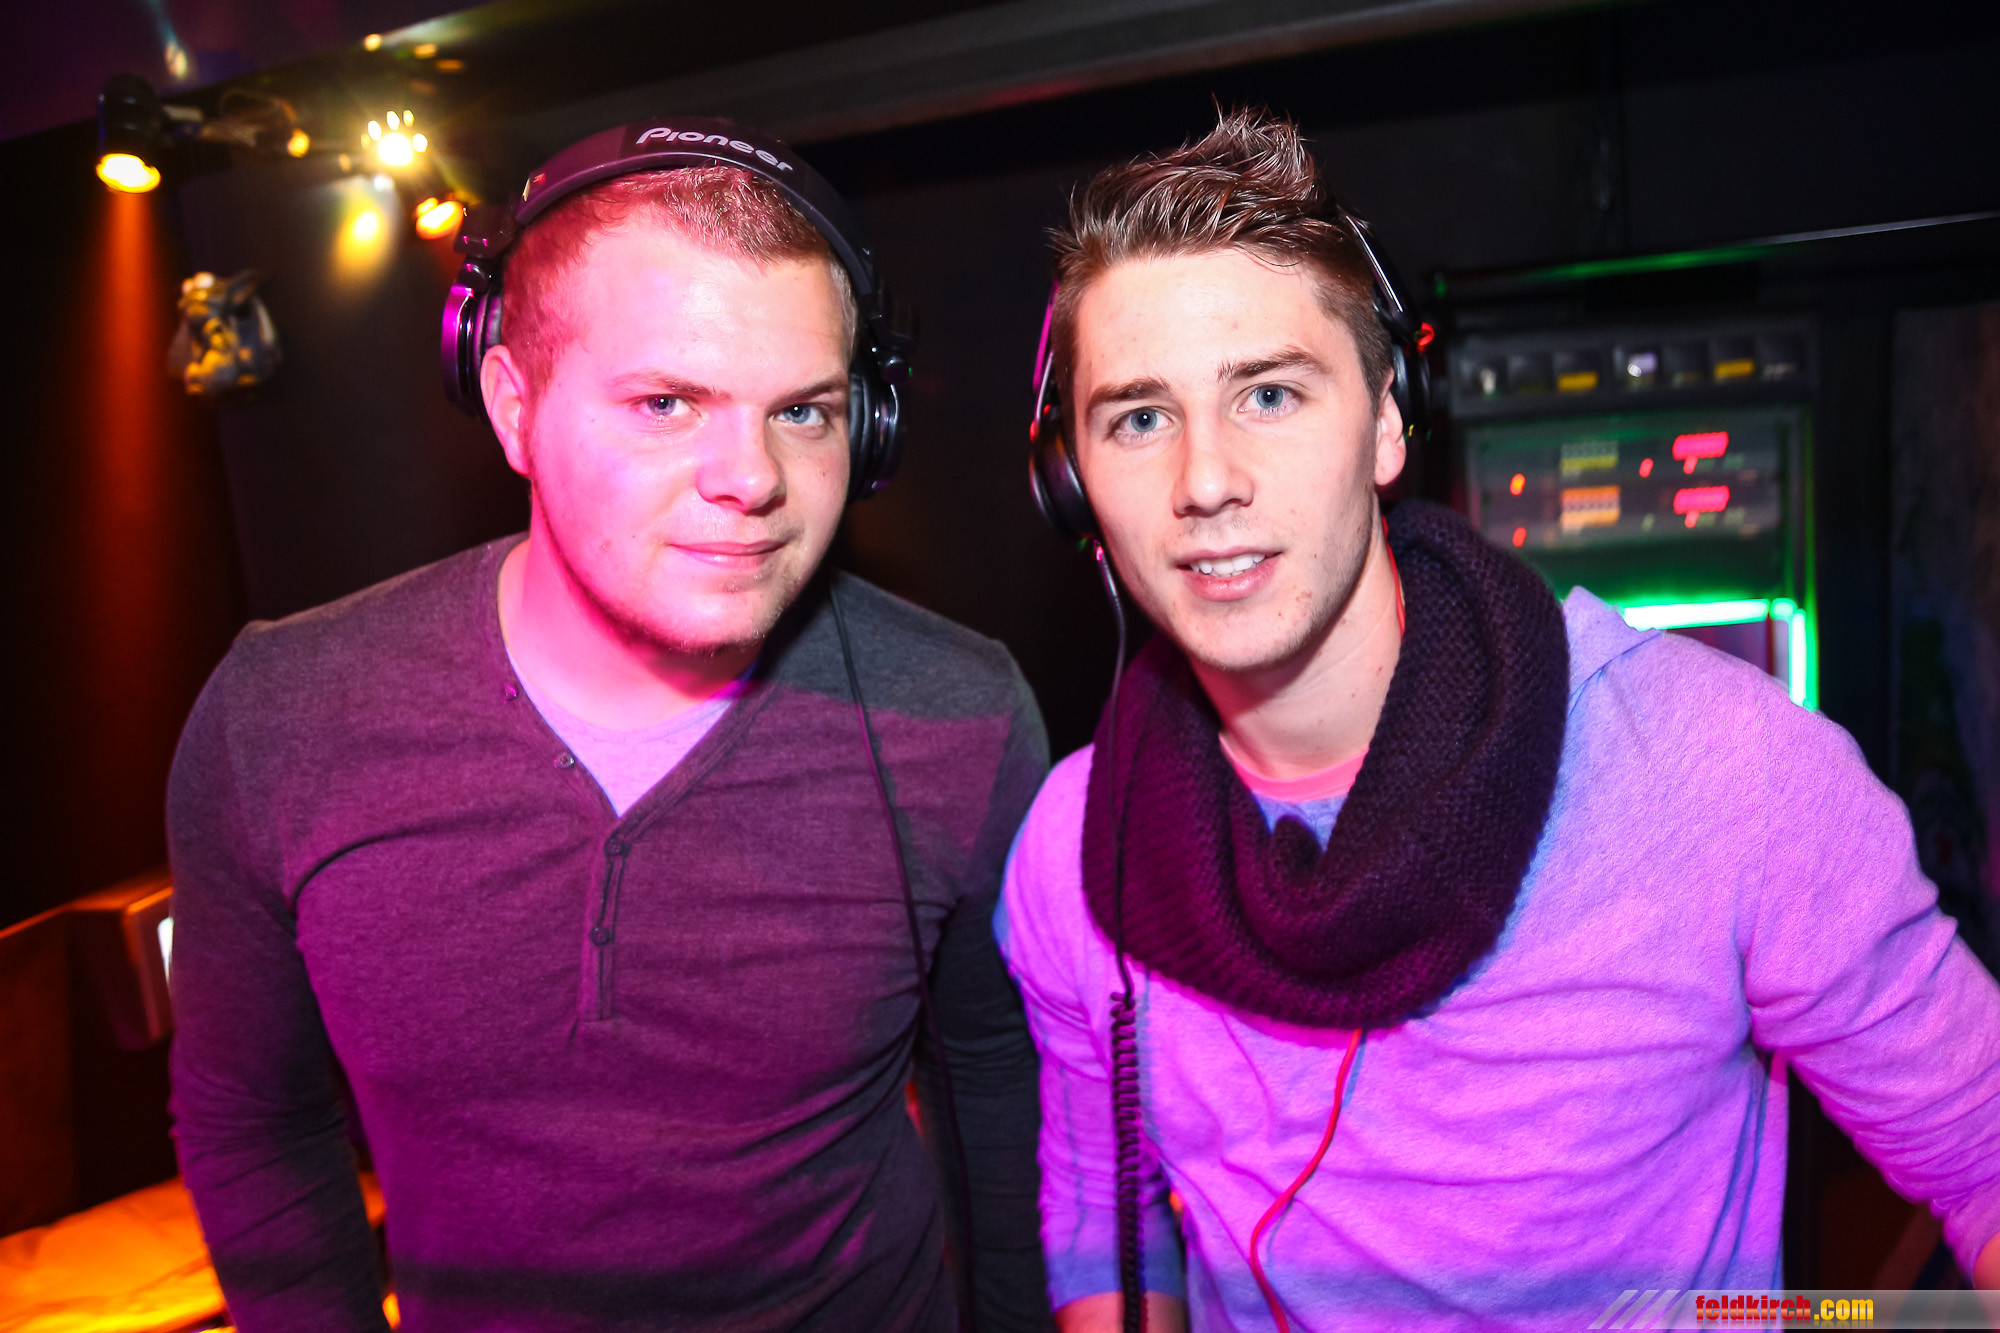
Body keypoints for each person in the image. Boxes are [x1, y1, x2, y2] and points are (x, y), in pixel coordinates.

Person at [997, 109, 2000, 1332]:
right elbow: (1101, 1220)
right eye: (1138, 418)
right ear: (1071, 484)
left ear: (1385, 422)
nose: (1204, 481)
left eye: (1267, 392)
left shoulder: (1720, 772)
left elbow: (1982, 1150)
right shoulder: (1077, 851)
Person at [167, 119, 1052, 1332]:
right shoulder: (281, 716)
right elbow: (252, 1116)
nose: (751, 477)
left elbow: (998, 1096)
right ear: (512, 407)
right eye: (666, 402)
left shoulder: (958, 714)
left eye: (803, 412)